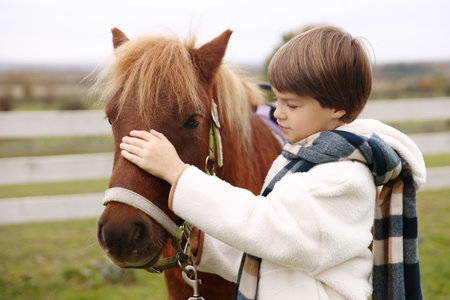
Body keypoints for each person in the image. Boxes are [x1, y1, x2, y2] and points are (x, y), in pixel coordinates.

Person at [119, 26, 426, 299]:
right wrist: (210, 250)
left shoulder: (344, 176)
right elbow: (276, 257)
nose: (277, 113)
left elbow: (270, 229)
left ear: (338, 108)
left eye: (291, 104)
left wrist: (179, 173)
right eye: (277, 100)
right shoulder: (302, 159)